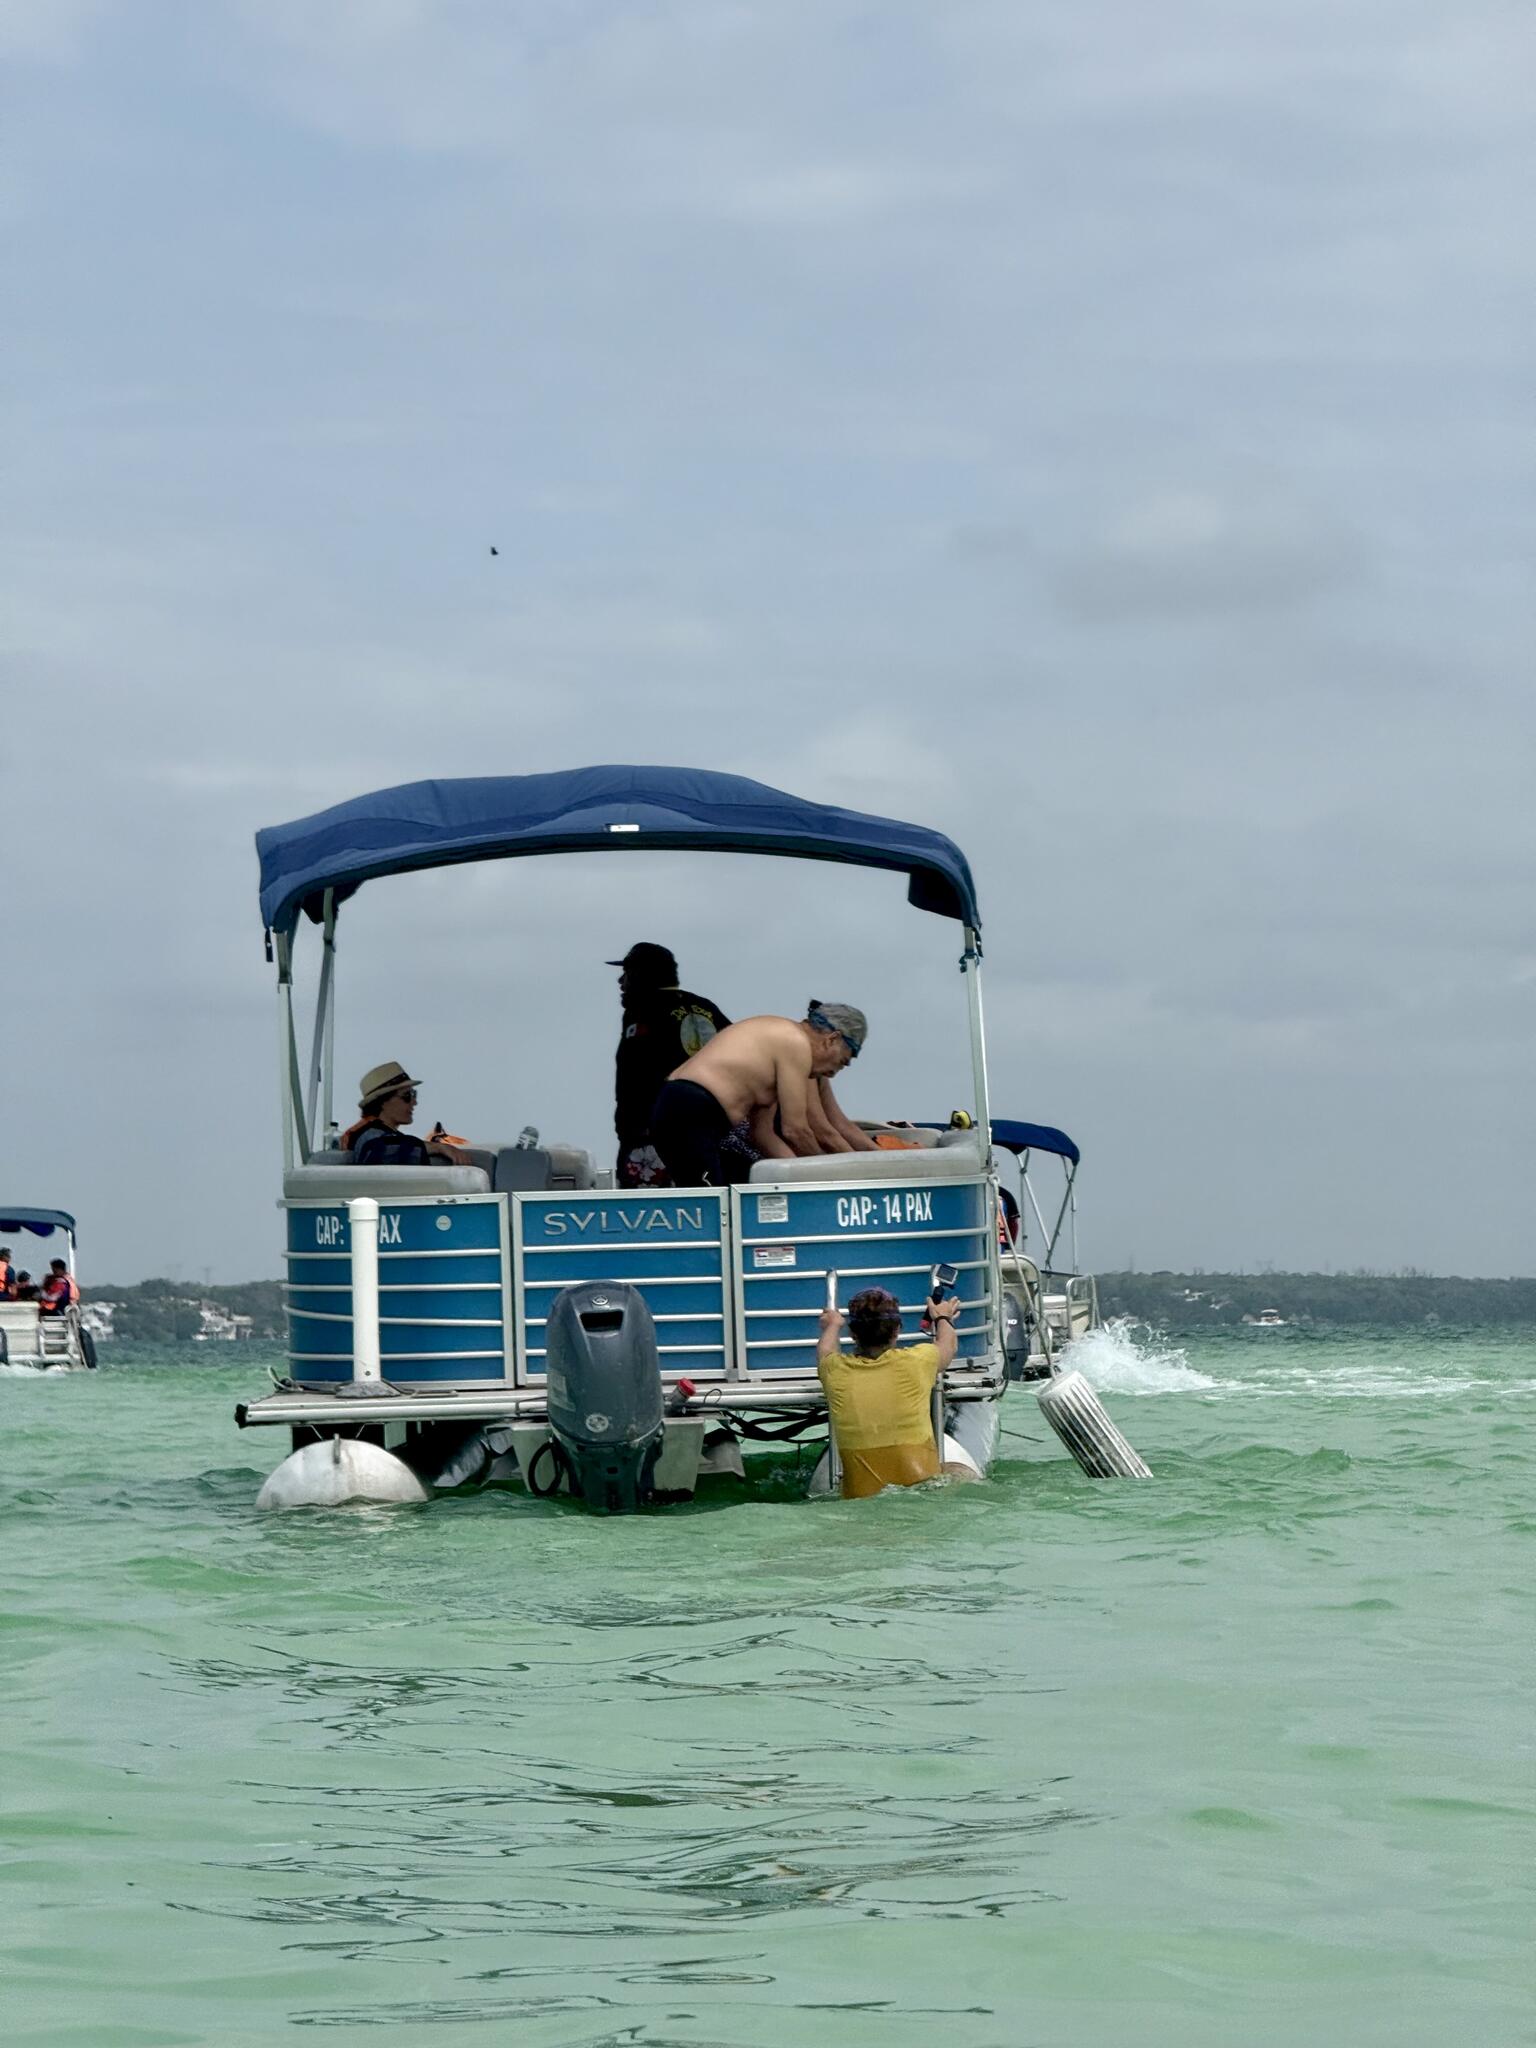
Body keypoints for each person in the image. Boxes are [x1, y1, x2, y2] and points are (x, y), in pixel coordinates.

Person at [650, 1001, 873, 1187]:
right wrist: (830, 1177)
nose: (834, 1073)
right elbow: (796, 1130)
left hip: (687, 1112)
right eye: (842, 1063)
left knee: (730, 1192)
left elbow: (762, 1135)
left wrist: (800, 1178)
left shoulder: (778, 1055)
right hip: (690, 1110)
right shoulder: (796, 1043)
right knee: (711, 1207)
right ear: (832, 1039)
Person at [817, 1285, 959, 1499]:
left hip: (860, 1497)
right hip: (922, 1490)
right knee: (958, 1470)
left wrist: (832, 1326)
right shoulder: (919, 1360)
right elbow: (948, 1346)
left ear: (853, 1334)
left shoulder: (834, 1371)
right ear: (897, 1330)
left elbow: (825, 1351)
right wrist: (942, 1317)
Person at [609, 943, 730, 1188]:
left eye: (628, 973)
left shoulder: (642, 1012)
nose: (621, 982)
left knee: (647, 1216)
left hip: (651, 1138)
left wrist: (627, 1130)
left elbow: (631, 1080)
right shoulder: (705, 1007)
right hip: (712, 1135)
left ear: (643, 976)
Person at [340, 1062, 469, 1166]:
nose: (414, 1102)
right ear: (383, 1102)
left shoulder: (381, 1135)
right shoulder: (369, 1136)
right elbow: (382, 1149)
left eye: (414, 1094)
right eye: (407, 1096)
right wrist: (439, 1148)